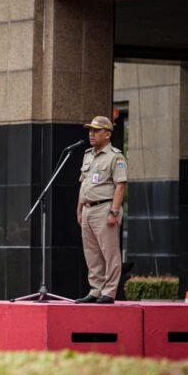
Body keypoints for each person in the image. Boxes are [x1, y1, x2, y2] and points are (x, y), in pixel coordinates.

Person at [76, 116, 127, 304]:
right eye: (90, 130)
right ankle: (96, 290)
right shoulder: (87, 155)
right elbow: (83, 184)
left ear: (107, 134)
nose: (91, 134)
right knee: (92, 253)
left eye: (96, 131)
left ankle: (110, 291)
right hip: (88, 209)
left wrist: (114, 212)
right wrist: (80, 209)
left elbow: (120, 186)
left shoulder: (116, 156)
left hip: (105, 208)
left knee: (109, 252)